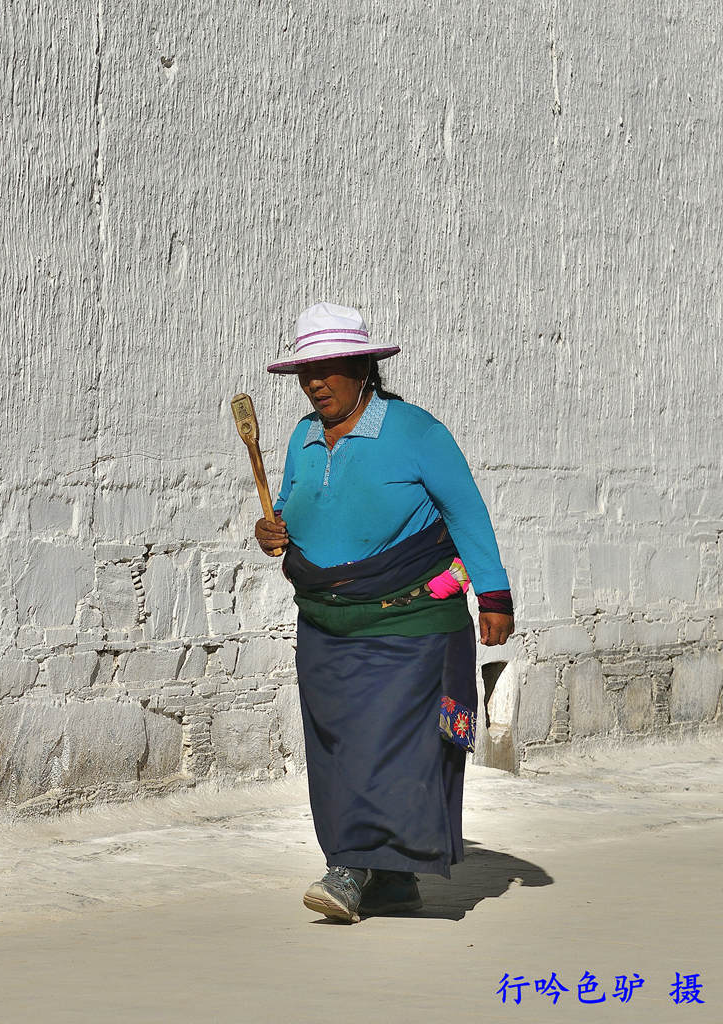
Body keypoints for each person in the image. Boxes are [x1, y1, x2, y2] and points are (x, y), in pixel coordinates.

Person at [255, 302, 514, 923]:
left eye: (330, 369)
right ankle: (395, 878)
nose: (316, 383)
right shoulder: (301, 437)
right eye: (306, 372)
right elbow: (290, 509)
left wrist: (495, 594)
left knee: (383, 741)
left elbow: (466, 514)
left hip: (410, 621)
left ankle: (350, 865)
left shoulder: (416, 432)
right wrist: (272, 531)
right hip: (326, 620)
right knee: (335, 743)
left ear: (364, 368)